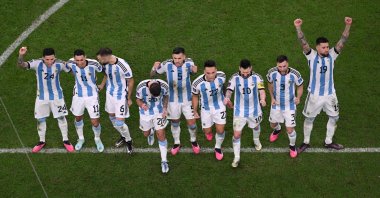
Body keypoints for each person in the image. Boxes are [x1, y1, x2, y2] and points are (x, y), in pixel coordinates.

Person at [294, 17, 352, 152]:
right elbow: (303, 42)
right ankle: (306, 142)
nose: (327, 49)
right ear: (317, 48)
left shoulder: (333, 54)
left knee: (334, 117)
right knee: (309, 119)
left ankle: (328, 141)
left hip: (330, 94)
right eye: (324, 47)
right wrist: (298, 27)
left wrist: (347, 25)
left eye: (327, 47)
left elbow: (343, 41)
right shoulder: (311, 55)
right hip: (314, 95)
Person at [17, 47, 74, 153]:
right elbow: (21, 65)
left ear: (54, 57)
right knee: (40, 119)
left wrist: (75, 65)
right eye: (47, 59)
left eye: (52, 59)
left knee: (61, 117)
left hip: (57, 96)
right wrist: (21, 55)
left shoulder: (60, 63)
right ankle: (41, 141)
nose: (49, 62)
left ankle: (66, 140)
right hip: (41, 97)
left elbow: (72, 72)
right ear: (43, 58)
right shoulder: (37, 63)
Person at [150, 47, 200, 155]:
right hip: (172, 100)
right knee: (175, 122)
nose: (177, 60)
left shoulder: (189, 62)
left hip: (187, 99)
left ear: (184, 57)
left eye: (179, 58)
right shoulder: (167, 64)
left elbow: (193, 70)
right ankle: (177, 143)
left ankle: (193, 141)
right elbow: (152, 75)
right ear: (172, 57)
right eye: (175, 58)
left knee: (192, 123)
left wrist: (194, 69)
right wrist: (154, 68)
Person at [224, 59, 266, 167]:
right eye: (243, 72)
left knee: (256, 127)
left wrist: (263, 99)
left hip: (255, 110)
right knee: (237, 134)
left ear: (251, 68)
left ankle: (256, 140)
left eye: (247, 72)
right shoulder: (234, 78)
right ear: (239, 68)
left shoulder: (257, 77)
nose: (245, 74)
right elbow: (229, 90)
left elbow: (261, 91)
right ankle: (236, 157)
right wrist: (227, 98)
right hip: (239, 111)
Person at [97, 47, 134, 154]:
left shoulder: (122, 66)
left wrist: (129, 98)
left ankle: (128, 140)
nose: (99, 61)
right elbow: (106, 75)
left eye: (100, 59)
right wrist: (102, 85)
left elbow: (131, 81)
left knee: (119, 122)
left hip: (121, 96)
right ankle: (123, 136)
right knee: (112, 116)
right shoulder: (105, 64)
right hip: (110, 94)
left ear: (106, 57)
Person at [66, 49, 104, 152]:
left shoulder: (94, 64)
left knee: (95, 122)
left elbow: (106, 72)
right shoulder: (70, 62)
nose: (79, 62)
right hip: (78, 95)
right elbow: (68, 69)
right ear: (74, 59)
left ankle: (97, 138)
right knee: (78, 117)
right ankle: (81, 138)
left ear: (85, 57)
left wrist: (102, 85)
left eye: (81, 60)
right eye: (77, 60)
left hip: (92, 96)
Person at [266, 55, 304, 158]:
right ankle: (277, 129)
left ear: (288, 63)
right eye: (280, 66)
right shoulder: (272, 72)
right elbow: (269, 84)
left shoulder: (295, 74)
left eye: (284, 66)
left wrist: (299, 97)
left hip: (290, 105)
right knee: (272, 124)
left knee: (290, 130)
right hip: (276, 104)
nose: (282, 69)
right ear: (276, 65)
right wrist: (272, 98)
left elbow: (300, 86)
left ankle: (292, 146)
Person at [192, 60, 227, 160]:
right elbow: (195, 96)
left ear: (216, 70)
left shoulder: (222, 76)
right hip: (205, 109)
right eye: (208, 73)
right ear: (204, 71)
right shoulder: (197, 83)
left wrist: (226, 98)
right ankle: (209, 132)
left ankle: (218, 147)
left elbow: (222, 86)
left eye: (213, 72)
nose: (211, 75)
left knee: (220, 130)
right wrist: (194, 111)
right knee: (207, 131)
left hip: (219, 106)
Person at [136, 79, 170, 173]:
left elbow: (166, 96)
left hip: (159, 112)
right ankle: (151, 132)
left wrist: (164, 108)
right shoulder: (141, 87)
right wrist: (142, 105)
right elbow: (138, 99)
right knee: (145, 134)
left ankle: (164, 161)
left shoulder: (164, 86)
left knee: (161, 134)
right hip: (145, 113)